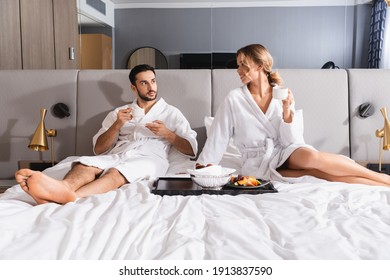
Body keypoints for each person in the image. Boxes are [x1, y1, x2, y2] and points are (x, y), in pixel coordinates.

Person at [197, 43, 390, 186]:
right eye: (238, 65)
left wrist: (287, 111)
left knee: (313, 159)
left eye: (243, 65)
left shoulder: (281, 93)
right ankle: (381, 186)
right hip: (258, 164)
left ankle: (381, 177)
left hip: (285, 150)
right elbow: (218, 136)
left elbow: (292, 140)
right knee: (320, 175)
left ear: (259, 65)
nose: (238, 70)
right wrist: (203, 165)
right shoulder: (234, 99)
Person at [16, 64, 198, 204]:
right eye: (144, 82)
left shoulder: (171, 113)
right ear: (134, 88)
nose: (151, 87)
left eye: (153, 81)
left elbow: (191, 150)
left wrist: (168, 134)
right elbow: (99, 149)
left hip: (150, 158)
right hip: (118, 153)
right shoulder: (119, 113)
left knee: (116, 173)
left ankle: (71, 197)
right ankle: (63, 187)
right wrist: (117, 125)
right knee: (84, 164)